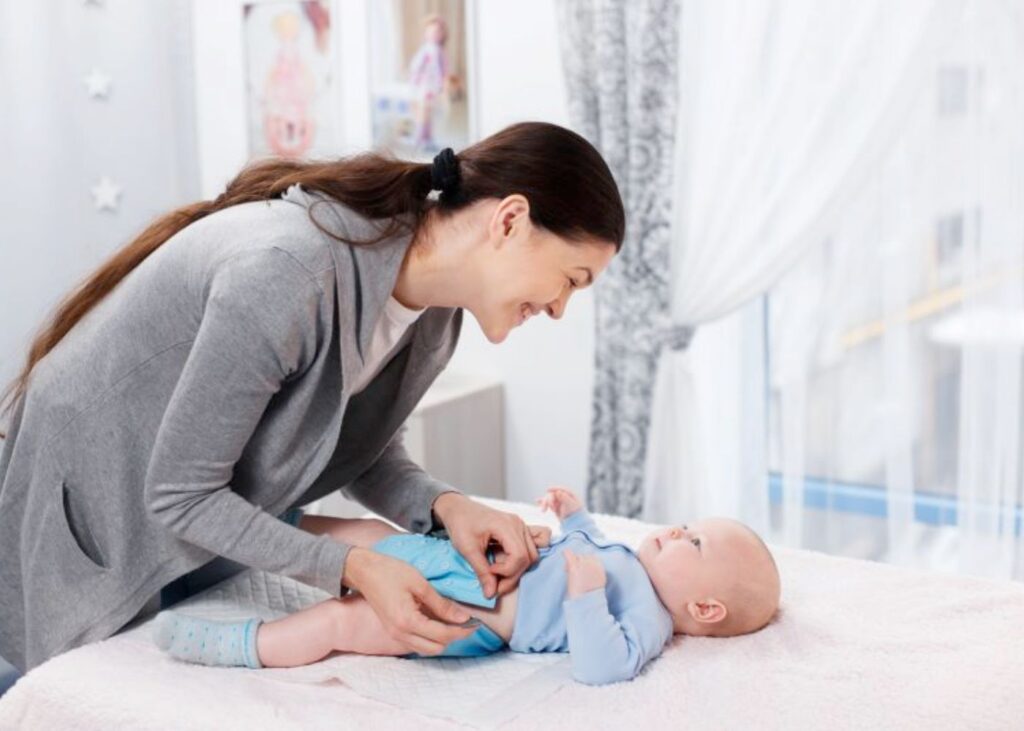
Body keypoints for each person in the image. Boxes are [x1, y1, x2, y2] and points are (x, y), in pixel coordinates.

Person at [0, 121, 624, 673]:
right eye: (571, 280)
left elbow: (362, 449)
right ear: (509, 220)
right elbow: (180, 493)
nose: (560, 309)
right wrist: (350, 566)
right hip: (86, 511)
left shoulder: (436, 318)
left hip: (185, 529)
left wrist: (448, 507)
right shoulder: (290, 273)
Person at [153, 486, 782, 685]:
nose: (676, 531)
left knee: (342, 623)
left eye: (693, 542)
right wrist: (573, 516)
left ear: (704, 605)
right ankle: (274, 521)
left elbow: (601, 668)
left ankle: (241, 644)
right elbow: (585, 544)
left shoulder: (652, 623)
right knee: (366, 532)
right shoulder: (630, 557)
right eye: (687, 525)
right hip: (458, 564)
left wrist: (586, 599)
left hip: (465, 620)